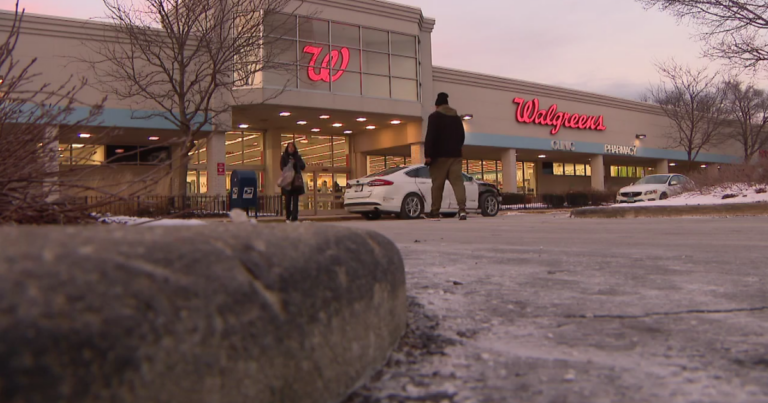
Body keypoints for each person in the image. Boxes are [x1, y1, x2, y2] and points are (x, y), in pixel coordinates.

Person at [424, 92, 467, 220]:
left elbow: (430, 137)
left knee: (437, 185)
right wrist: (457, 149)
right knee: (458, 183)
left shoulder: (434, 117)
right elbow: (462, 136)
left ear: (437, 105)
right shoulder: (456, 118)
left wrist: (428, 155)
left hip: (439, 157)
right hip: (455, 156)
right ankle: (462, 209)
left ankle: (435, 211)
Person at [280, 142, 306, 222]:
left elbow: (303, 166)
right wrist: (289, 166)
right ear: (287, 148)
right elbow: (282, 167)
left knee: (295, 201)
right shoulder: (284, 157)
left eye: (292, 147)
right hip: (287, 182)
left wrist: (296, 163)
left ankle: (294, 217)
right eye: (289, 147)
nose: (291, 149)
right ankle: (288, 216)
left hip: (295, 183)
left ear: (294, 148)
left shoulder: (297, 157)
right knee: (287, 201)